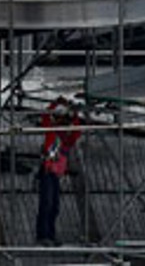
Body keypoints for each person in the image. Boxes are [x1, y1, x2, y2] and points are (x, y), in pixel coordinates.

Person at [35, 97, 82, 245]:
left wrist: (75, 114)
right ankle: (43, 235)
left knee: (54, 206)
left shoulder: (67, 141)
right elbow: (46, 116)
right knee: (47, 204)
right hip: (48, 172)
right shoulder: (52, 134)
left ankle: (50, 235)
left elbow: (77, 131)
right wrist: (56, 102)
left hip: (56, 175)